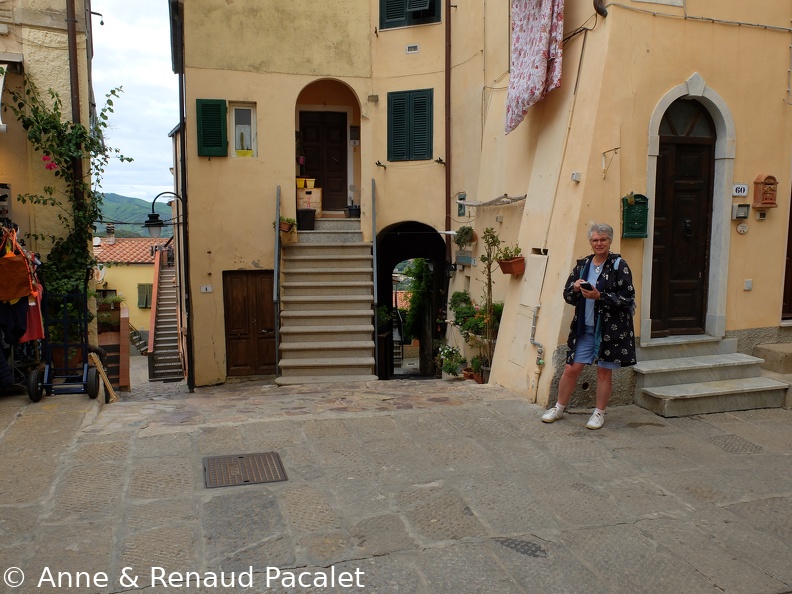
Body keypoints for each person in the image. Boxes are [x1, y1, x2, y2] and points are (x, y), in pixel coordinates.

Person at [542, 222, 636, 429]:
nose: (599, 243)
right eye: (595, 240)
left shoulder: (619, 265)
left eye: (603, 239)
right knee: (570, 368)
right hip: (584, 328)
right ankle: (558, 408)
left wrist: (599, 296)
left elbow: (627, 299)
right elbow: (567, 294)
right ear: (590, 242)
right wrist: (575, 288)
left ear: (610, 241)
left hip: (609, 330)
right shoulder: (583, 264)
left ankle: (599, 413)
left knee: (603, 371)